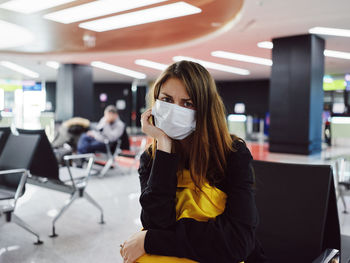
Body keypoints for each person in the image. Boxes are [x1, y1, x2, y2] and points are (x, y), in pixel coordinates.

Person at [120, 61, 266, 263]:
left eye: (187, 103)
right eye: (167, 100)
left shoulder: (231, 154)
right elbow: (156, 222)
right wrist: (164, 145)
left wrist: (150, 239)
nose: (174, 110)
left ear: (204, 109)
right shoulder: (152, 157)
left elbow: (237, 242)